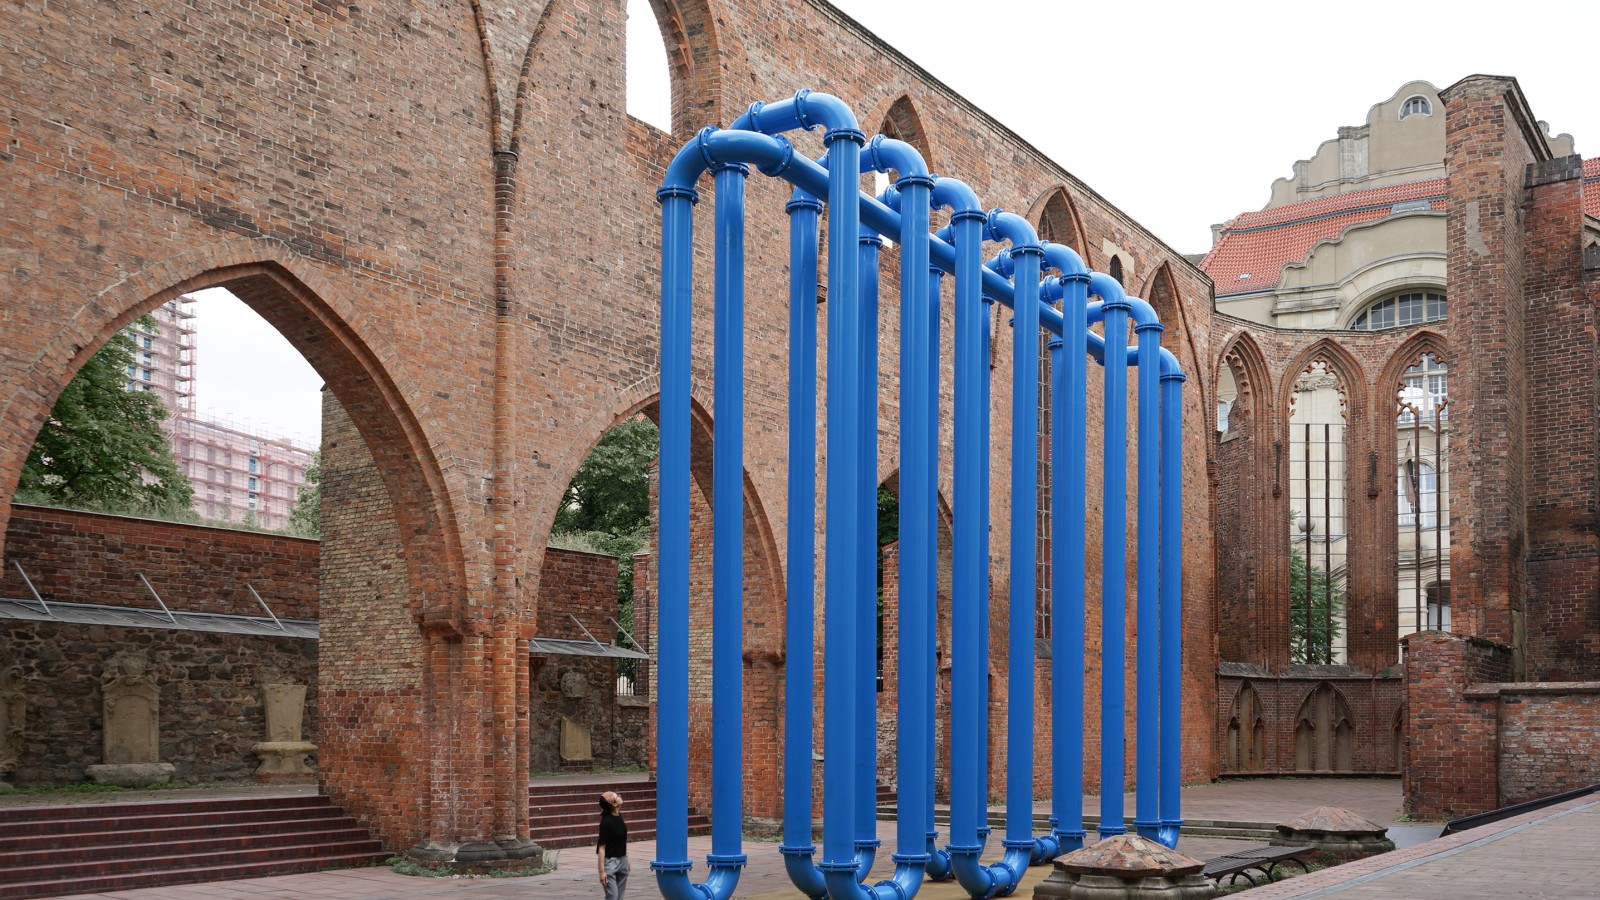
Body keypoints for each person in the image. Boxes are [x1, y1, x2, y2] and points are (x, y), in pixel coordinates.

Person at [596, 790, 629, 900]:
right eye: (617, 796)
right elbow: (601, 847)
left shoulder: (619, 816)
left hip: (622, 860)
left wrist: (626, 858)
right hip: (610, 862)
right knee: (612, 896)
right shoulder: (606, 822)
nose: (620, 796)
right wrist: (602, 871)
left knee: (619, 897)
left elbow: (621, 840)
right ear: (614, 804)